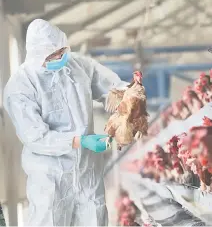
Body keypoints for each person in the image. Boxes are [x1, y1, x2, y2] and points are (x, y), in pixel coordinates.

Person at [3, 19, 129, 226]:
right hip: (50, 176)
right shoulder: (20, 87)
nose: (60, 57)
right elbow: (36, 136)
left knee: (93, 218)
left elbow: (112, 88)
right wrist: (80, 141)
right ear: (37, 55)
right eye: (53, 55)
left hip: (87, 170)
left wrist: (129, 97)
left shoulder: (78, 65)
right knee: (50, 220)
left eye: (62, 51)